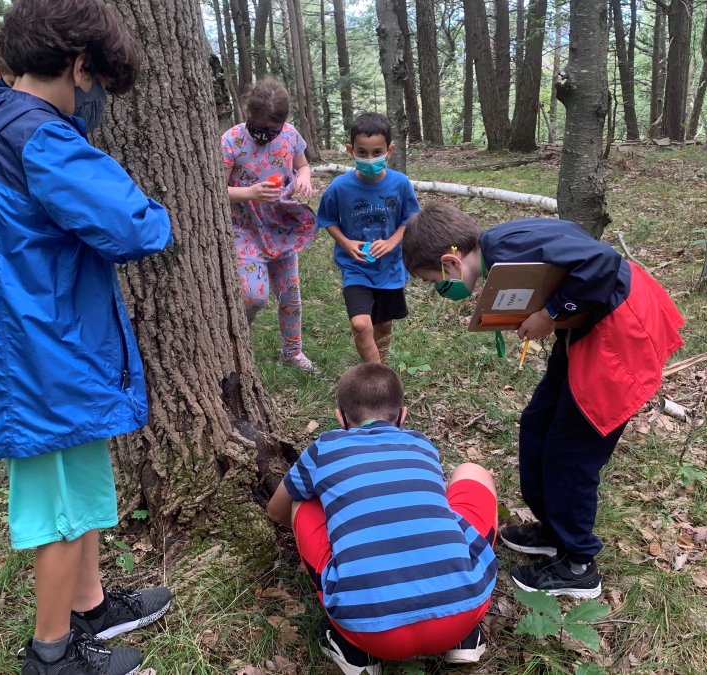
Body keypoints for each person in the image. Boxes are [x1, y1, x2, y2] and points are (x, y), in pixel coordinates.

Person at [0, 0, 174, 672]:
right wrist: (156, 206)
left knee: (82, 480)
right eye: (96, 80)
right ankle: (52, 652)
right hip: (36, 353)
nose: (94, 97)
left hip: (49, 340)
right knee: (57, 506)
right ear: (78, 64)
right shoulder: (41, 138)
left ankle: (88, 606)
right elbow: (136, 226)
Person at [401, 203, 685, 598]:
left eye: (435, 279)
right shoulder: (498, 249)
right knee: (538, 424)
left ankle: (579, 564)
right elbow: (566, 248)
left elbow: (601, 259)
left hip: (618, 336)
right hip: (589, 330)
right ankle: (554, 529)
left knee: (571, 451)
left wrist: (552, 311)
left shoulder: (507, 251)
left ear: (451, 262)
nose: (440, 288)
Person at [267, 363, 497, 675]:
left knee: (303, 504)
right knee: (472, 473)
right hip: (463, 611)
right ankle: (464, 637)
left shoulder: (325, 448)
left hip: (368, 631)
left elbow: (277, 510)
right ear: (402, 416)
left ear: (341, 418)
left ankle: (353, 651)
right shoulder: (422, 444)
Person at [221, 77, 319, 372]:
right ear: (247, 114)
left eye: (271, 130)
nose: (265, 135)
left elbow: (302, 164)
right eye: (259, 128)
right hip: (245, 227)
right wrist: (250, 193)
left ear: (284, 121)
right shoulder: (232, 140)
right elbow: (215, 189)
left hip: (281, 226)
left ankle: (293, 352)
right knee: (253, 294)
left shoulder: (290, 136)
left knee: (290, 295)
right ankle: (239, 336)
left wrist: (303, 177)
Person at [316, 113, 419, 364]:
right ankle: (377, 378)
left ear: (390, 150)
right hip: (356, 268)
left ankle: (379, 363)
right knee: (361, 324)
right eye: (362, 153)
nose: (369, 159)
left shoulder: (401, 183)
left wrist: (394, 240)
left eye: (377, 152)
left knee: (382, 325)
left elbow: (411, 218)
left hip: (390, 268)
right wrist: (346, 243)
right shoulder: (339, 187)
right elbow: (327, 219)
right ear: (351, 150)